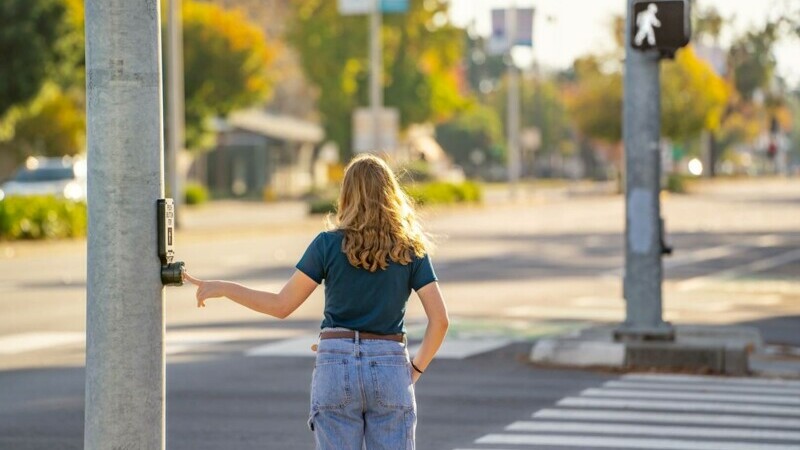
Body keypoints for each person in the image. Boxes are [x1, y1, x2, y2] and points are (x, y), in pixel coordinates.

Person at [183, 154, 449, 449]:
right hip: (389, 364)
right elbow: (440, 321)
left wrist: (224, 287)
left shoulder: (327, 244)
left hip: (335, 363)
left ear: (347, 194)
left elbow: (281, 305)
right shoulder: (410, 249)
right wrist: (415, 368)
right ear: (391, 195)